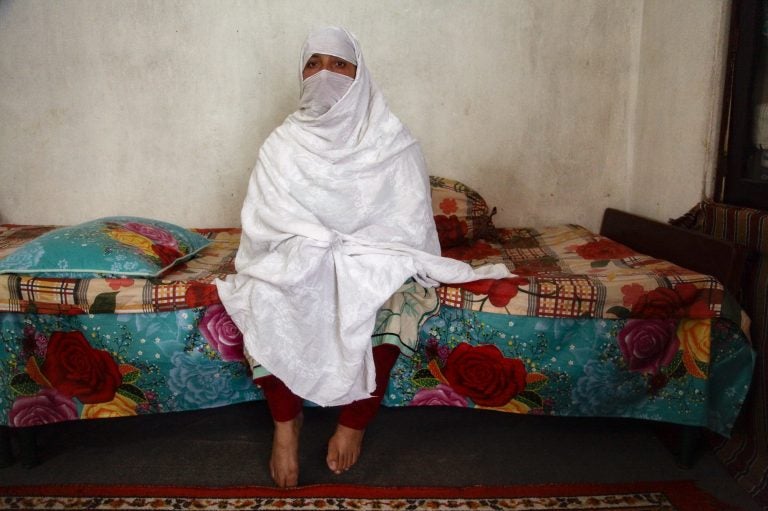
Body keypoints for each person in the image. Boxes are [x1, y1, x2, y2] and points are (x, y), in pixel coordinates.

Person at [215, 26, 509, 488]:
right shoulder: (281, 145)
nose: (324, 74)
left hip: (374, 252)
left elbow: (407, 226)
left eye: (339, 65)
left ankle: (354, 421)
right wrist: (315, 246)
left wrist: (353, 252)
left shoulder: (393, 141)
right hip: (301, 249)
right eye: (314, 64)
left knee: (394, 296)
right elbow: (265, 221)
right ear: (301, 74)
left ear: (360, 75)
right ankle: (285, 424)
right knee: (264, 295)